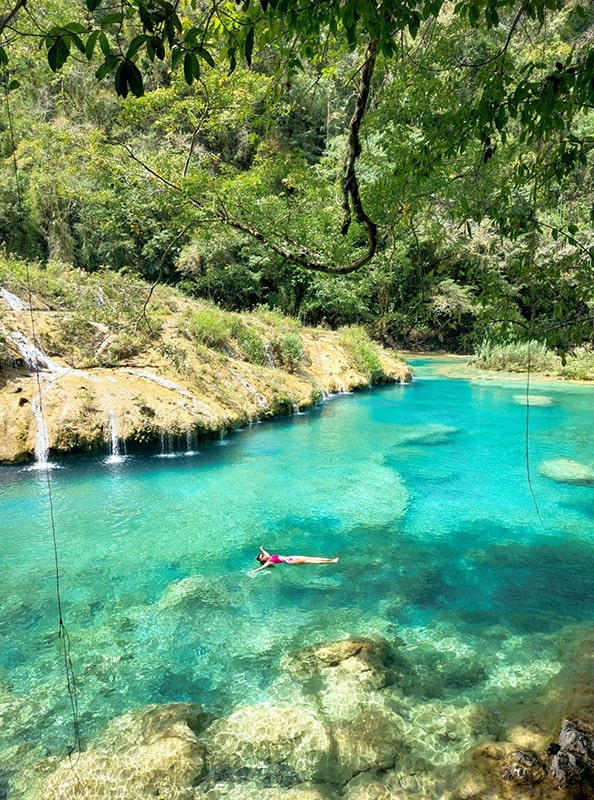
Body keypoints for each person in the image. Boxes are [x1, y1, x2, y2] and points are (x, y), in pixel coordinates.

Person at [247, 546, 339, 575]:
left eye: (262, 554)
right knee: (312, 561)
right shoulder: (269, 561)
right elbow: (261, 568)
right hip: (291, 561)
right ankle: (332, 561)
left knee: (311, 557)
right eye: (262, 556)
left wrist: (261, 548)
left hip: (291, 557)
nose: (264, 554)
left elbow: (264, 551)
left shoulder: (268, 556)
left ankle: (332, 559)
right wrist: (251, 572)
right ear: (262, 559)